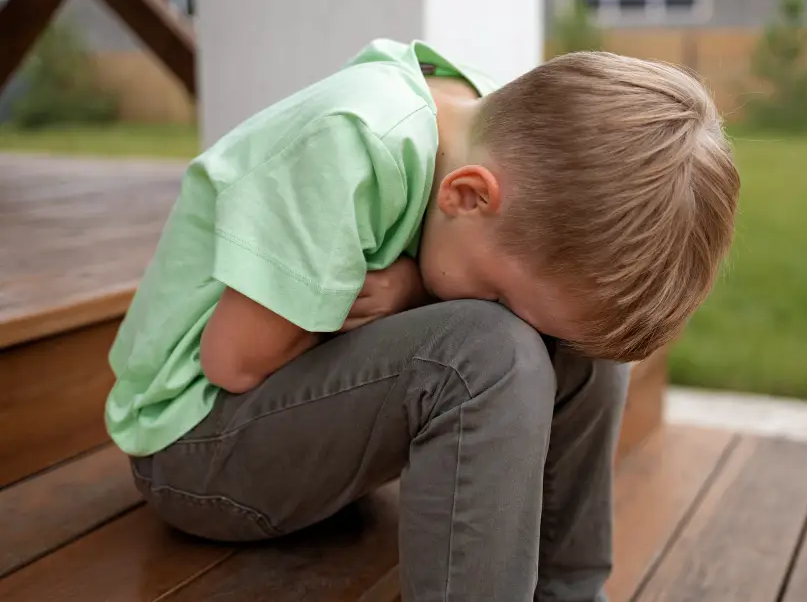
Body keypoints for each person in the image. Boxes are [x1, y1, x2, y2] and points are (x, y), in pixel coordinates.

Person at [105, 38, 740, 602]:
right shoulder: (350, 141)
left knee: (579, 347)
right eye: (499, 293)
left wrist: (413, 287)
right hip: (195, 451)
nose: (513, 319)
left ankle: (570, 592)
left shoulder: (497, 129)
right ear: (467, 195)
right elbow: (234, 362)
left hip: (300, 438)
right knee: (490, 351)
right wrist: (418, 295)